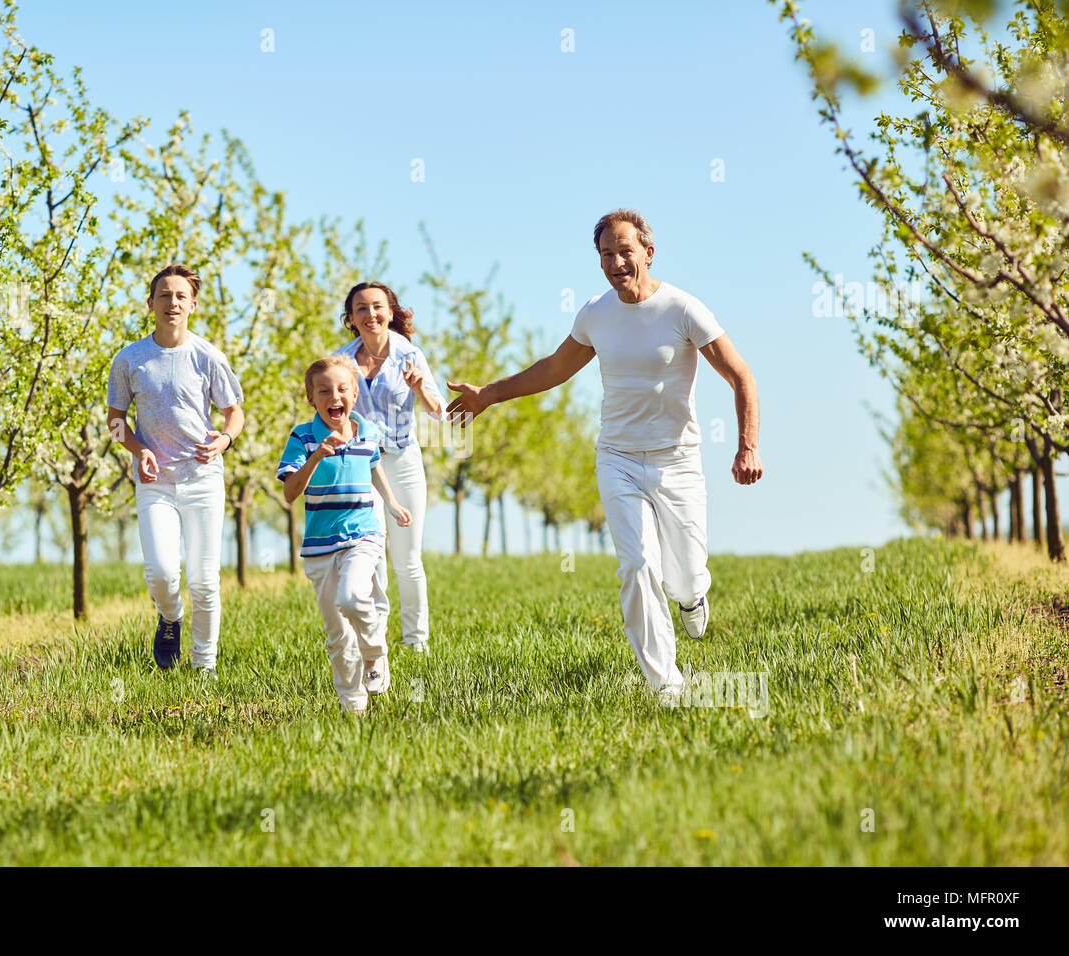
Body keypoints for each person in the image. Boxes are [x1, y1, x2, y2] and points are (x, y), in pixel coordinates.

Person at [446, 209, 763, 704]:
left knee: (683, 574)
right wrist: (488, 394)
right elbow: (554, 368)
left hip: (677, 459)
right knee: (637, 565)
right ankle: (666, 685)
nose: (616, 262)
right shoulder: (596, 313)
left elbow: (741, 375)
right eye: (606, 254)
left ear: (647, 253)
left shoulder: (683, 310)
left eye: (624, 251)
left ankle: (691, 594)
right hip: (618, 457)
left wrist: (747, 446)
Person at [107, 263, 245, 674]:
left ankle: (204, 669)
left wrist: (224, 440)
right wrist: (137, 449)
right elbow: (115, 420)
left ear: (193, 305)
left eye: (181, 296)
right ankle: (170, 618)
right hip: (156, 482)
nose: (173, 302)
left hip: (202, 479)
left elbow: (234, 412)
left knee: (204, 582)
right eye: (164, 295)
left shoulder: (208, 357)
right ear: (150, 303)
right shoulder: (129, 360)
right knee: (163, 573)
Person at [277, 354, 412, 713]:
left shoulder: (366, 429)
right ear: (312, 399)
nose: (334, 396)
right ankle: (352, 704)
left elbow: (373, 465)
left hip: (363, 535)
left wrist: (393, 503)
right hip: (320, 545)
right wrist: (315, 457)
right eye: (324, 391)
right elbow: (290, 492)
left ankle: (375, 653)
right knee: (337, 634)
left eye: (342, 389)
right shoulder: (303, 437)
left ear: (354, 393)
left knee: (352, 598)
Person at [332, 281, 445, 653]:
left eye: (377, 307)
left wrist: (419, 388)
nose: (370, 315)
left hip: (403, 462)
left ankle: (416, 643)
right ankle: (375, 641)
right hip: (362, 468)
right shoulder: (342, 362)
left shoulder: (409, 355)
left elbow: (440, 412)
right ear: (351, 318)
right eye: (361, 309)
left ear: (391, 312)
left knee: (407, 559)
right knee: (372, 553)